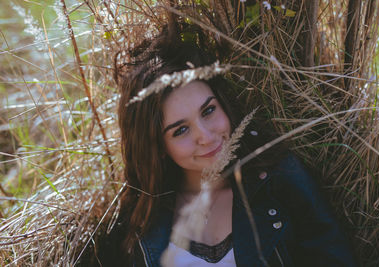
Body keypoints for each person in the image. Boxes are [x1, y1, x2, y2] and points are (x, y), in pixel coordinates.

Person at [97, 22, 357, 267]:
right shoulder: (142, 220)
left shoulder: (279, 180)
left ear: (222, 103)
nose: (207, 136)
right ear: (158, 148)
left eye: (208, 111)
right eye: (181, 130)